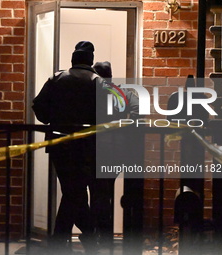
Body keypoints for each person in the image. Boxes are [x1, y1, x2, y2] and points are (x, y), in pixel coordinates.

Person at [32, 41, 104, 255]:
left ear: (73, 59)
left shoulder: (56, 78)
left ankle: (81, 239)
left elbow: (38, 106)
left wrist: (52, 120)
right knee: (75, 193)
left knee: (73, 192)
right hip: (86, 147)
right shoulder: (98, 82)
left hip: (59, 145)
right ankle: (75, 240)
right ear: (90, 61)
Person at [92, 61, 141, 248]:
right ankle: (102, 235)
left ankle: (97, 234)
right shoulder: (123, 93)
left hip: (94, 149)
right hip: (115, 150)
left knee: (97, 194)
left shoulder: (92, 94)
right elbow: (139, 111)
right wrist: (124, 127)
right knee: (105, 193)